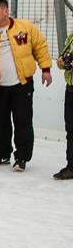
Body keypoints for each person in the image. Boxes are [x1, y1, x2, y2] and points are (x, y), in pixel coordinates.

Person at [0, 0, 52, 171]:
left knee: (22, 121)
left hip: (22, 84)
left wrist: (46, 69)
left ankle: (22, 157)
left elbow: (40, 46)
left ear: (6, 11)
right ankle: (2, 154)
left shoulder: (25, 27)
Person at [54, 29, 73, 180]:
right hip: (71, 88)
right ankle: (71, 167)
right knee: (71, 130)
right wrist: (61, 61)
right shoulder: (71, 38)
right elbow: (61, 60)